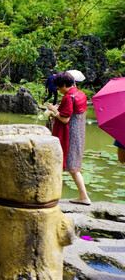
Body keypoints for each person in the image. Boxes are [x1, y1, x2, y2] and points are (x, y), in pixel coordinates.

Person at [46, 71, 91, 205]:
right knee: (73, 166)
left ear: (64, 85)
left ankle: (83, 196)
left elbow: (65, 119)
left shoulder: (68, 97)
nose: (59, 91)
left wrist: (54, 111)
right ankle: (82, 195)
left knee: (70, 166)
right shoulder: (80, 94)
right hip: (78, 134)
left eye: (59, 88)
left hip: (69, 135)